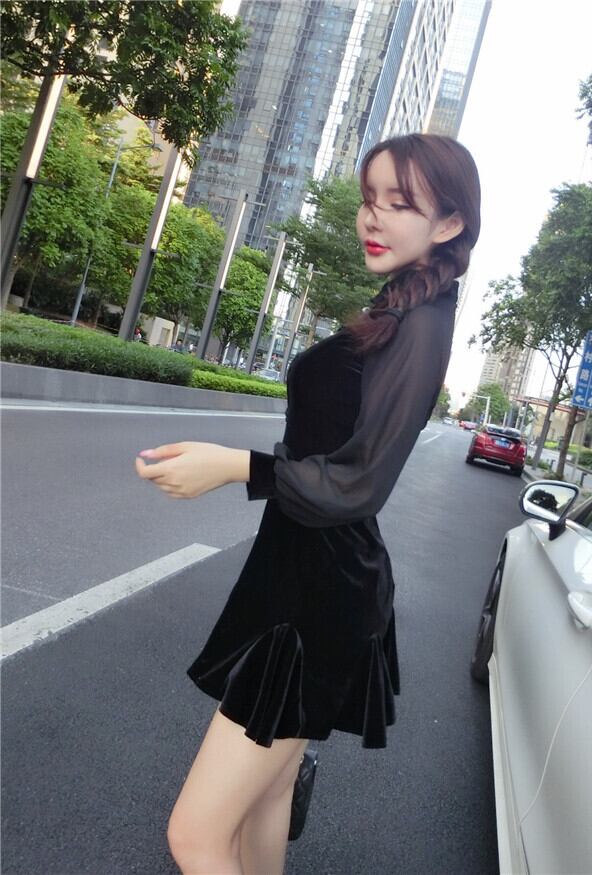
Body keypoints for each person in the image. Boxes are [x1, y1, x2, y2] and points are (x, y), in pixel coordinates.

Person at [134, 133, 481, 875]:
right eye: (369, 198)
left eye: (400, 203)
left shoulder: (423, 324)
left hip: (319, 595)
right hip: (299, 573)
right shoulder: (399, 306)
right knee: (265, 801)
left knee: (195, 835)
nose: (373, 217)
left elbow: (359, 482)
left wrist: (233, 466)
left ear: (449, 223)